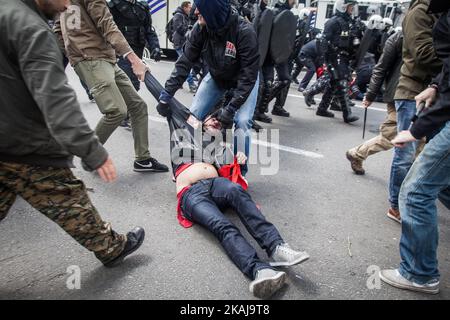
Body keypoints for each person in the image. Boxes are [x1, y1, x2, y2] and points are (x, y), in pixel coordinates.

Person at [0, 0, 145, 268]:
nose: (68, 5)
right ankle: (111, 246)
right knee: (68, 198)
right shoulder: (31, 28)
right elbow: (56, 101)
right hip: (23, 143)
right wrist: (93, 152)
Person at [144, 72, 310, 299]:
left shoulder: (221, 150)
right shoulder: (187, 124)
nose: (216, 123)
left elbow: (236, 185)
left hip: (216, 185)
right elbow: (164, 94)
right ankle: (259, 270)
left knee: (236, 192)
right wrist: (141, 70)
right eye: (213, 119)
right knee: (222, 226)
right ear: (204, 119)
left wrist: (237, 162)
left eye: (221, 125)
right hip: (191, 194)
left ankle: (277, 247)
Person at [379, 1, 450, 293]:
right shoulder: (426, 13)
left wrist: (417, 129)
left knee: (417, 190)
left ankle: (420, 273)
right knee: (440, 183)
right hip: (420, 93)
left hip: (436, 108)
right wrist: (436, 85)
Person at [54, 0, 168, 173]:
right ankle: (91, 156)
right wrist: (134, 60)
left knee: (137, 106)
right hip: (92, 59)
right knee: (116, 111)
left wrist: (73, 54)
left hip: (105, 58)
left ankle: (143, 159)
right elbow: (107, 24)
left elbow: (59, 28)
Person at [157, 0, 260, 176]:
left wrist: (230, 109)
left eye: (201, 9)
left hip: (244, 80)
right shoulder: (200, 28)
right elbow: (185, 62)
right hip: (217, 76)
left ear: (213, 11)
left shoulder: (244, 31)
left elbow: (248, 77)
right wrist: (166, 94)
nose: (196, 13)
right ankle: (190, 163)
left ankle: (240, 171)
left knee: (242, 122)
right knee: (192, 116)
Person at [387, 0, 442, 223]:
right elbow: (424, 54)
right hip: (413, 91)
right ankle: (396, 206)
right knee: (405, 155)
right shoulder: (421, 11)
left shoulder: (436, 12)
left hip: (429, 91)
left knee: (427, 154)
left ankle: (411, 200)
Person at [346, 30, 403, 175]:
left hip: (416, 94)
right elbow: (381, 67)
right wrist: (370, 94)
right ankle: (358, 153)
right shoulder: (400, 36)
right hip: (403, 93)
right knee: (394, 135)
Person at [109, 0, 162, 130]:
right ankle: (127, 115)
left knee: (134, 84)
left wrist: (155, 47)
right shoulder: (113, 6)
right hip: (122, 52)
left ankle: (124, 112)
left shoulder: (142, 7)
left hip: (137, 52)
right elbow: (108, 30)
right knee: (129, 83)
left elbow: (149, 29)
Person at [315, 0, 359, 123]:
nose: (352, 9)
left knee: (334, 84)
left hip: (344, 57)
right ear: (343, 7)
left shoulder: (349, 22)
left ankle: (322, 108)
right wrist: (325, 60)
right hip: (335, 57)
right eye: (350, 7)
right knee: (342, 83)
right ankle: (347, 114)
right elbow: (323, 41)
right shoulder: (333, 22)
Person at [172, 1, 198, 93]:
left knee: (179, 64)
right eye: (189, 8)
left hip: (183, 43)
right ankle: (191, 85)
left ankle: (177, 83)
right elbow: (178, 28)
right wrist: (188, 31)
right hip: (179, 43)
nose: (191, 9)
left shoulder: (185, 16)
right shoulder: (178, 15)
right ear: (185, 7)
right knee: (185, 64)